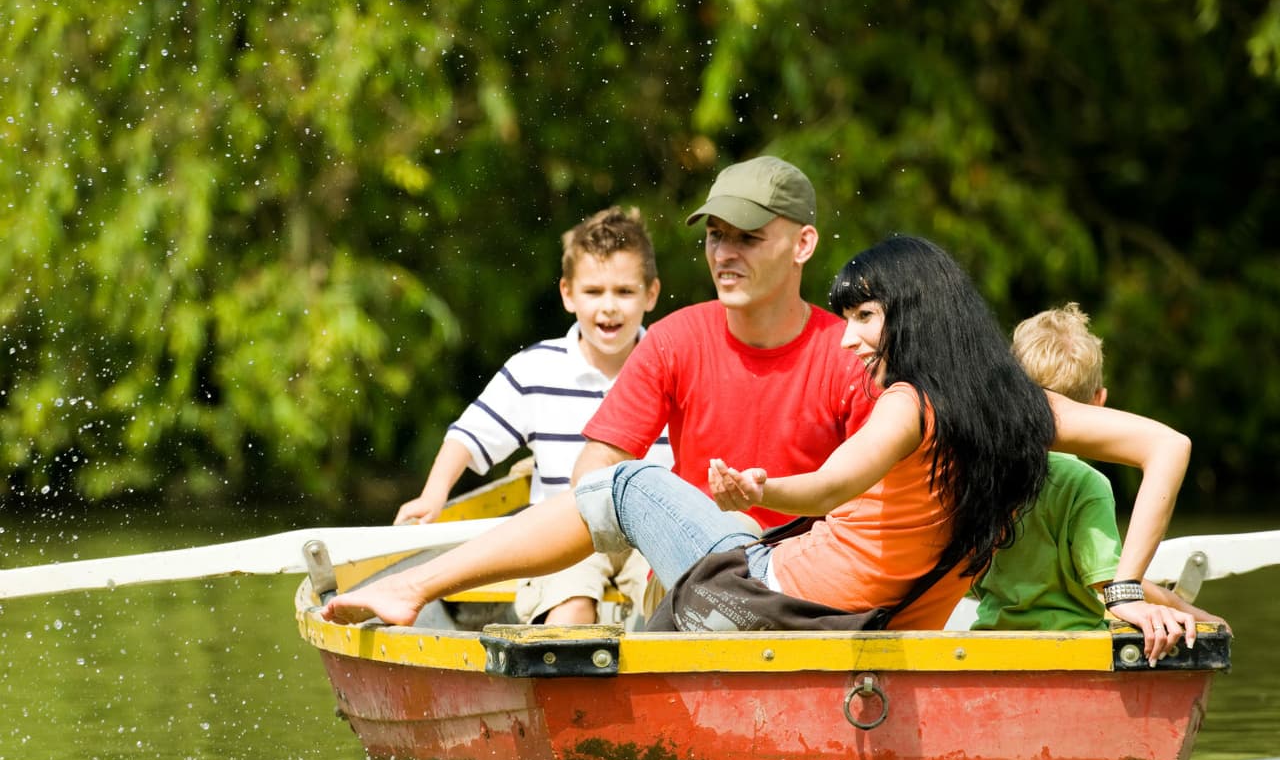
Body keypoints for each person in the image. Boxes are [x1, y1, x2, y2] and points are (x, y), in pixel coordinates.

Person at [320, 236, 1192, 663]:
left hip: (761, 611)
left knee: (625, 482)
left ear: (911, 317)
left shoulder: (905, 406)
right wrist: (1123, 589)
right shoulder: (1019, 409)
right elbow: (1167, 446)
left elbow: (832, 484)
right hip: (865, 628)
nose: (848, 337)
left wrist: (760, 486)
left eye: (863, 315)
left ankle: (415, 586)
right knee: (656, 533)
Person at [392, 205, 671, 625]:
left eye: (625, 292)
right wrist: (434, 495)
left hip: (648, 534)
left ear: (650, 294)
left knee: (679, 604)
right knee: (570, 608)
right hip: (563, 535)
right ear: (568, 294)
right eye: (594, 292)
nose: (609, 307)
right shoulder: (535, 369)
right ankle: (564, 680)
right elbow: (469, 435)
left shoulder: (671, 362)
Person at [569, 155, 874, 531]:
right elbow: (593, 473)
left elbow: (882, 501)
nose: (724, 254)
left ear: (803, 245)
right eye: (716, 235)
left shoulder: (852, 354)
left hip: (808, 577)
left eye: (748, 237)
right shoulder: (674, 340)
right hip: (689, 573)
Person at [970, 303, 1226, 657]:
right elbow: (1109, 584)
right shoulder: (1085, 485)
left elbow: (972, 582)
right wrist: (1195, 616)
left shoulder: (983, 478)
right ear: (1098, 403)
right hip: (1074, 650)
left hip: (987, 644)